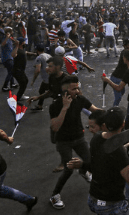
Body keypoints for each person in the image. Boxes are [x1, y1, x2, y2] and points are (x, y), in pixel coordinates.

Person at [67, 107, 129, 215]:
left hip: (93, 199)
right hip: (111, 206)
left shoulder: (96, 138)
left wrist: (82, 165)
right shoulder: (118, 152)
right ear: (123, 124)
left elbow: (98, 166)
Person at [49, 76, 101, 209]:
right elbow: (55, 127)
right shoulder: (55, 105)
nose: (77, 91)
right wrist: (65, 107)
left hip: (79, 138)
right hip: (63, 141)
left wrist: (111, 116)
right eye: (74, 89)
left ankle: (83, 171)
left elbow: (95, 110)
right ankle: (54, 195)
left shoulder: (80, 99)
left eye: (78, 88)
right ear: (65, 91)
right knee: (69, 168)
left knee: (90, 161)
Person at [108, 38, 129, 107]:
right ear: (125, 46)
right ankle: (114, 110)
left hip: (121, 78)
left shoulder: (128, 52)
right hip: (116, 77)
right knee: (118, 97)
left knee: (122, 92)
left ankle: (115, 107)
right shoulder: (124, 53)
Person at [29, 44, 51, 111]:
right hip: (51, 77)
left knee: (50, 92)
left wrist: (33, 80)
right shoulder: (48, 55)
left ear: (37, 51)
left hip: (47, 79)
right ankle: (40, 105)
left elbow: (37, 70)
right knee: (42, 90)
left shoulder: (39, 58)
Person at [0, 27, 17, 92]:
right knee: (11, 72)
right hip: (7, 58)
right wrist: (7, 37)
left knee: (10, 72)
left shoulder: (10, 39)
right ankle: (4, 86)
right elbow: (2, 44)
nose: (13, 32)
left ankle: (12, 83)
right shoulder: (5, 38)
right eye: (11, 31)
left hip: (10, 57)